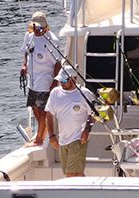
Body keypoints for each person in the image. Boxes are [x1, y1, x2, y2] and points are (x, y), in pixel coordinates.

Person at [44, 65, 95, 177]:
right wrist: (52, 136)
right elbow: (48, 114)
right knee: (74, 174)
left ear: (73, 79)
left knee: (72, 175)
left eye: (65, 80)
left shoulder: (85, 93)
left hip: (78, 139)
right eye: (60, 80)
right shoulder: (55, 93)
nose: (62, 83)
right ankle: (89, 191)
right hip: (62, 140)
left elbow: (93, 115)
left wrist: (86, 130)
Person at [21, 11, 61, 146]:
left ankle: (39, 139)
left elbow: (58, 63)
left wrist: (55, 82)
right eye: (36, 27)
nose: (38, 30)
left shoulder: (51, 41)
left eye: (41, 28)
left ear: (46, 27)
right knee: (33, 107)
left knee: (42, 109)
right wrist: (24, 66)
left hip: (45, 80)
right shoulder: (28, 37)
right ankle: (41, 132)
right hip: (32, 80)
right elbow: (25, 53)